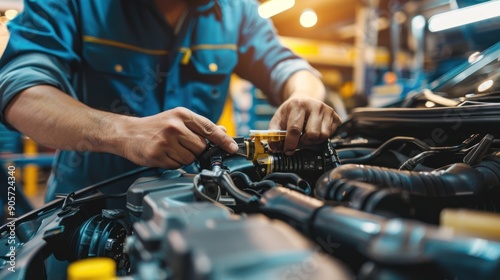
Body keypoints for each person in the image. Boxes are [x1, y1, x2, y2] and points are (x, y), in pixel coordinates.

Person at [0, 0, 340, 202]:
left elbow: (287, 65)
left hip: (195, 200)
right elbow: (21, 92)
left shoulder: (234, 10)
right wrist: (122, 132)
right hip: (89, 210)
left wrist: (303, 98)